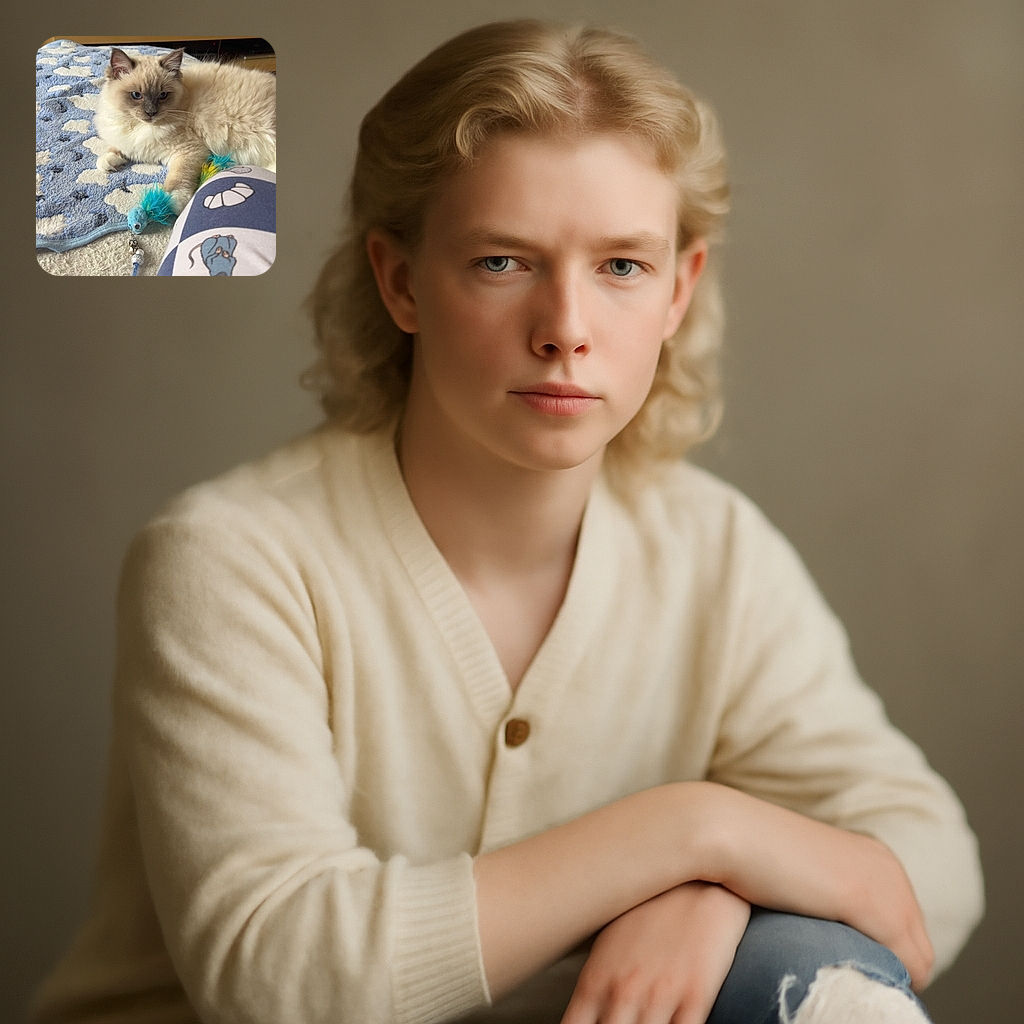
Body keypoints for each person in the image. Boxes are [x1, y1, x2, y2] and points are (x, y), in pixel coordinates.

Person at [31, 19, 983, 1024]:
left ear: (678, 289)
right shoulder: (229, 559)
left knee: (834, 988)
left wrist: (715, 890)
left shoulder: (712, 552)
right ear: (399, 281)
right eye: (501, 262)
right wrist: (693, 832)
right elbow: (290, 975)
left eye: (621, 266)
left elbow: (927, 856)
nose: (566, 327)